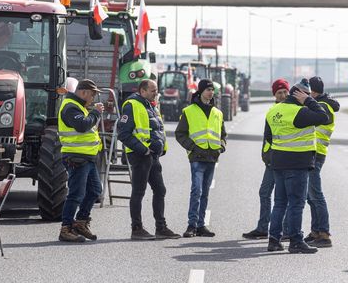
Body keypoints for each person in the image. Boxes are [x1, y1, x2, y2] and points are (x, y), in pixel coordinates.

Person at [265, 79, 328, 254]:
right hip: (298, 163)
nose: (308, 97)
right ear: (300, 95)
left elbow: (268, 137)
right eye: (306, 95)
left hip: (278, 162)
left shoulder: (273, 111)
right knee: (296, 203)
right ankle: (295, 241)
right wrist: (308, 101)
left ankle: (274, 240)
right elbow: (324, 116)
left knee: (279, 203)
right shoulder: (300, 112)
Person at [117, 79, 180, 240]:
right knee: (138, 192)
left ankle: (161, 228)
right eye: (153, 90)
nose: (156, 93)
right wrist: (143, 149)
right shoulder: (132, 105)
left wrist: (162, 148)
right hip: (140, 156)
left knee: (160, 190)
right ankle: (136, 229)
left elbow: (157, 129)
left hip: (153, 156)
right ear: (142, 91)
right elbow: (124, 134)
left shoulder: (151, 105)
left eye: (156, 90)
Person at [175, 79, 227, 238]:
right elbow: (180, 134)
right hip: (197, 157)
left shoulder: (218, 112)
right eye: (208, 90)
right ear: (201, 92)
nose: (211, 92)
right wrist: (193, 147)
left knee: (204, 193)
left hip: (212, 157)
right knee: (196, 190)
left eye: (212, 90)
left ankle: (200, 225)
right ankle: (191, 225)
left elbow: (223, 134)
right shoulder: (189, 111)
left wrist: (222, 146)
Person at [242, 79, 291, 240]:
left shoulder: (294, 109)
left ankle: (285, 230)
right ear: (274, 95)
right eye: (279, 93)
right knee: (264, 193)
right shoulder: (273, 111)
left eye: (285, 92)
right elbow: (268, 137)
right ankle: (263, 228)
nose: (283, 95)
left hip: (286, 159)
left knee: (284, 197)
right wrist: (266, 155)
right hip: (272, 160)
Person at [57, 79, 104, 243]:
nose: (93, 99)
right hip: (76, 157)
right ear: (83, 92)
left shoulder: (79, 107)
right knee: (76, 194)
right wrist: (96, 113)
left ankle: (81, 222)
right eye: (92, 95)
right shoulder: (70, 106)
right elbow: (82, 126)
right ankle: (66, 228)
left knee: (95, 191)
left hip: (86, 157)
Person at [305, 76, 339, 248]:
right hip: (314, 152)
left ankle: (324, 234)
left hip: (315, 153)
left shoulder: (322, 107)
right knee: (310, 197)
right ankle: (316, 231)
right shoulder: (323, 104)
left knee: (316, 195)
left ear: (313, 91)